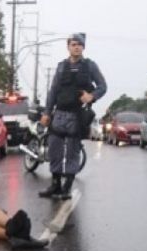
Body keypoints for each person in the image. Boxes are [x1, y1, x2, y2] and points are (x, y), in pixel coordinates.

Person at [40, 33, 107, 200]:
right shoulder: (61, 66)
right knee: (54, 149)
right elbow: (53, 91)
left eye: (79, 44)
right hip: (59, 114)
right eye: (73, 44)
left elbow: (103, 86)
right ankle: (55, 185)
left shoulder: (90, 66)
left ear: (83, 47)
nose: (76, 47)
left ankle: (67, 187)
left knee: (72, 152)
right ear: (68, 47)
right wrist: (47, 112)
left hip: (77, 115)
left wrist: (92, 96)